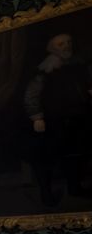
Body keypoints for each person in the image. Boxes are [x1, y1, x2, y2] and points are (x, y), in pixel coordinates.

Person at [24, 32, 92, 205]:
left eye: (69, 42)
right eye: (61, 44)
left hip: (76, 116)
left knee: (75, 155)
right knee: (47, 158)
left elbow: (84, 86)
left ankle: (75, 187)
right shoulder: (45, 69)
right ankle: (46, 195)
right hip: (53, 119)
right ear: (53, 48)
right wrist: (37, 117)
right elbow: (32, 95)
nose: (67, 46)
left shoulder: (77, 65)